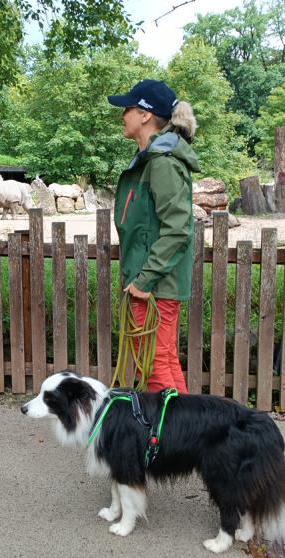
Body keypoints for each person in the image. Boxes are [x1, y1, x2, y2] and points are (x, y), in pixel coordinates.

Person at [107, 79, 200, 393]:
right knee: (162, 360)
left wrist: (145, 280)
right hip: (152, 280)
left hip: (155, 284)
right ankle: (184, 424)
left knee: (154, 364)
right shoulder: (150, 160)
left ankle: (169, 426)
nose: (122, 115)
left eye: (128, 108)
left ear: (145, 115)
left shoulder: (162, 164)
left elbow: (178, 229)